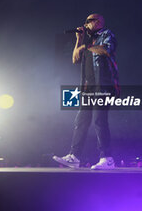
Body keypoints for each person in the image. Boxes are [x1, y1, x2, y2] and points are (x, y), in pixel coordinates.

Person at [53, 13, 119, 170]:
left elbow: (107, 50)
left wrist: (86, 46)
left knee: (99, 120)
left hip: (103, 86)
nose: (85, 24)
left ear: (98, 22)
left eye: (88, 22)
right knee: (81, 121)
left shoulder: (106, 34)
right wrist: (79, 40)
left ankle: (107, 158)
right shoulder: (89, 41)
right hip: (88, 88)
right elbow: (75, 59)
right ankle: (74, 157)